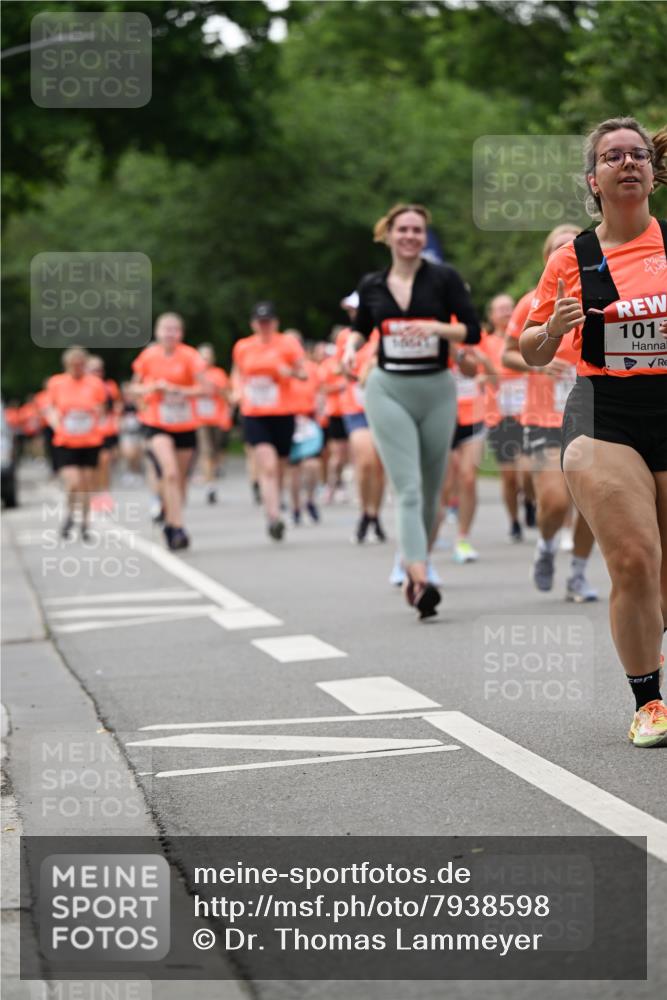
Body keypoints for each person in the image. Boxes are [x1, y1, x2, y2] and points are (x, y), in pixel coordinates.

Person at [519, 117, 667, 747]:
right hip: (605, 412)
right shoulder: (571, 257)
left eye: (638, 155)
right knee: (633, 561)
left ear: (653, 175)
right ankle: (649, 702)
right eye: (613, 157)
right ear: (594, 179)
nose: (628, 163)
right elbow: (528, 347)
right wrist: (552, 327)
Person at [345, 203, 481, 618]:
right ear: (387, 235)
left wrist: (438, 329)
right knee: (406, 486)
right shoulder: (373, 284)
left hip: (437, 388)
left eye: (417, 230)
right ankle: (419, 576)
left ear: (424, 237)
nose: (409, 236)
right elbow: (361, 329)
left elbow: (472, 330)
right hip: (388, 389)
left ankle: (414, 562)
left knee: (433, 488)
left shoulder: (444, 278)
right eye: (402, 229)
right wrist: (350, 351)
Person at [503, 224, 598, 602]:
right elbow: (507, 353)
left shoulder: (602, 295)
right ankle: (545, 547)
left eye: (574, 247)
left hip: (591, 414)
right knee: (556, 502)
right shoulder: (532, 302)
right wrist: (539, 366)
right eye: (559, 249)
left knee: (592, 503)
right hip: (543, 416)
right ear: (549, 259)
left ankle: (577, 574)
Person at [131, 312, 207, 551]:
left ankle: (169, 515)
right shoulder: (148, 356)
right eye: (165, 329)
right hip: (157, 422)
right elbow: (134, 387)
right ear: (157, 332)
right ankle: (178, 528)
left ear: (180, 333)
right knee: (170, 473)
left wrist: (179, 391)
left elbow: (205, 388)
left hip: (184, 423)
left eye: (174, 329)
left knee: (180, 481)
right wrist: (152, 388)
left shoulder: (191, 356)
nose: (170, 334)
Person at [232, 301, 306, 541]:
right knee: (267, 465)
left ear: (275, 322)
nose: (264, 326)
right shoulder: (243, 346)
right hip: (254, 413)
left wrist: (289, 372)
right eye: (260, 322)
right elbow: (237, 372)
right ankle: (273, 516)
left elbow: (304, 372)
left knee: (281, 466)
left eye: (268, 321)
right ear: (253, 324)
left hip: (283, 412)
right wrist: (236, 391)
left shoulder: (288, 343)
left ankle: (275, 499)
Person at [480, 293, 535, 542]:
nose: (505, 312)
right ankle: (514, 521)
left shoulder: (525, 338)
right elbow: (478, 374)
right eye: (500, 308)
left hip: (527, 412)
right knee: (509, 476)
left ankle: (531, 502)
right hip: (499, 416)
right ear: (491, 316)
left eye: (509, 307)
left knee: (528, 471)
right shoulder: (485, 342)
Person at [45, 346, 107, 540]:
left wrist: (94, 412)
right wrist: (57, 424)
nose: (77, 368)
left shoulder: (95, 383)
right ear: (67, 365)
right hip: (66, 440)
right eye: (74, 365)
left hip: (90, 440)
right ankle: (71, 513)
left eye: (81, 364)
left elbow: (102, 408)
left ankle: (85, 524)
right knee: (73, 482)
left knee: (86, 484)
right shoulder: (57, 383)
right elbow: (51, 408)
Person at [443, 344, 496, 564]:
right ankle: (431, 529)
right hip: (442, 416)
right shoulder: (433, 326)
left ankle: (463, 538)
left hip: (473, 415)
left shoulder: (475, 336)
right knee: (444, 483)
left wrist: (480, 365)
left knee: (468, 477)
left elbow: (491, 376)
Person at [284, 336, 324, 525]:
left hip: (308, 420)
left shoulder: (311, 368)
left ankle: (309, 499)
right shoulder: (281, 368)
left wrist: (319, 411)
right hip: (288, 420)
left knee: (313, 465)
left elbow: (320, 390)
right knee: (294, 469)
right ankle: (295, 507)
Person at [195, 343, 232, 505]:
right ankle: (210, 485)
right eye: (202, 356)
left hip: (217, 418)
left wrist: (217, 389)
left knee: (217, 451)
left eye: (208, 356)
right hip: (200, 419)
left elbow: (228, 394)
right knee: (206, 451)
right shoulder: (194, 374)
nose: (205, 359)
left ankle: (214, 471)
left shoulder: (219, 374)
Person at [87, 354, 122, 513]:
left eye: (99, 370)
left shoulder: (109, 386)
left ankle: (105, 493)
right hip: (88, 432)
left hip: (106, 429)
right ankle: (94, 494)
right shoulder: (83, 387)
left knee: (106, 461)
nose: (97, 373)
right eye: (94, 370)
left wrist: (116, 420)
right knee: (93, 465)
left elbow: (117, 405)